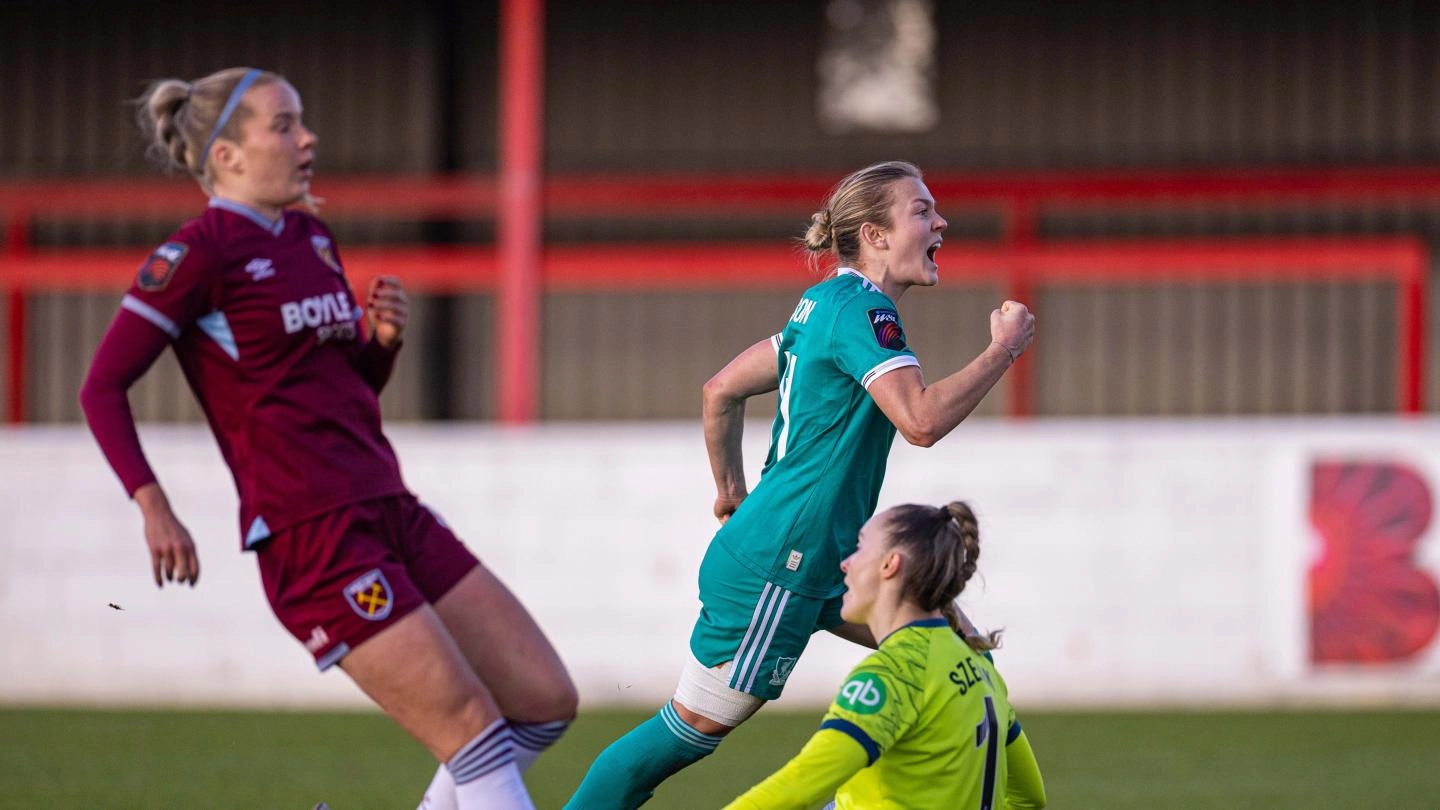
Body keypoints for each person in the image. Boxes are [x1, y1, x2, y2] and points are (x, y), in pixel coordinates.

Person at [77, 67, 576, 810]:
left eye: (301, 121)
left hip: (387, 504)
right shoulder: (198, 255)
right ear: (227, 156)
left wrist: (381, 343)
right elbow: (101, 387)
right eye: (282, 125)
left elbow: (344, 392)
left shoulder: (310, 235)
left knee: (542, 700)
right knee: (472, 733)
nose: (306, 138)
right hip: (311, 534)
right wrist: (152, 504)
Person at [565, 161, 1036, 808]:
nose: (940, 221)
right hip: (784, 560)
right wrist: (1004, 350)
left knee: (956, 651)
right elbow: (920, 422)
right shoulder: (864, 313)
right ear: (874, 235)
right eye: (922, 210)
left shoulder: (823, 305)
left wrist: (731, 493)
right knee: (686, 732)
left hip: (821, 555)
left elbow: (719, 391)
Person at [724, 501, 1047, 809]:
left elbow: (801, 787)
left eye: (860, 547)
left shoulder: (893, 674)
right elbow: (1028, 798)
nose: (845, 563)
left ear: (890, 565)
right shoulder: (980, 667)